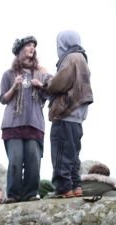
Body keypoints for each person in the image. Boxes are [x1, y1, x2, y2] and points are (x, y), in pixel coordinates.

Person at [0, 36, 51, 203]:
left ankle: (30, 193)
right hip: (13, 124)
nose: (32, 48)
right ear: (20, 50)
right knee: (15, 159)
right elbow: (3, 99)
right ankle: (13, 195)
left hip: (34, 123)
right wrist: (15, 86)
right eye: (29, 45)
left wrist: (40, 86)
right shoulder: (8, 74)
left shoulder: (41, 73)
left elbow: (49, 95)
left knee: (33, 161)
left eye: (34, 46)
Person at [44, 31, 93, 198]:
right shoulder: (82, 58)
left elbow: (58, 84)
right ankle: (75, 186)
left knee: (60, 154)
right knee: (73, 155)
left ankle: (63, 188)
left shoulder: (71, 58)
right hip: (77, 117)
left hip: (66, 113)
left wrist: (47, 82)